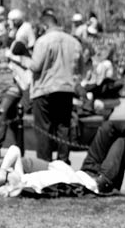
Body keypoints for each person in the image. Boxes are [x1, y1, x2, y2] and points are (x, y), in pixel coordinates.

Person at [29, 9, 84, 162]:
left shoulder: (43, 41)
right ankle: (63, 161)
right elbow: (81, 69)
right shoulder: (74, 42)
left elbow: (35, 66)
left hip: (44, 89)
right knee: (63, 127)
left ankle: (44, 163)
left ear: (44, 26)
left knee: (44, 129)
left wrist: (21, 58)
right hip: (66, 89)